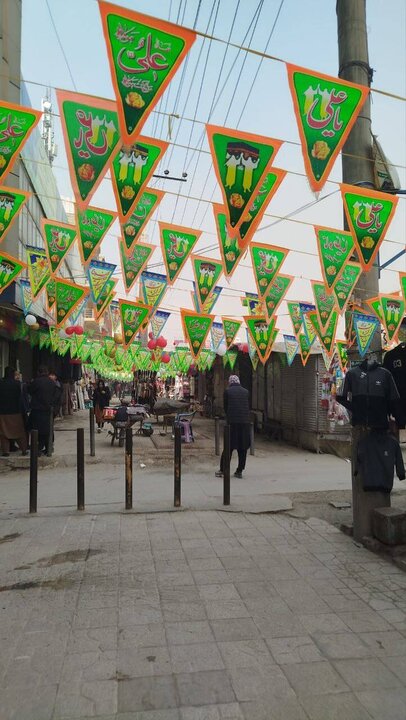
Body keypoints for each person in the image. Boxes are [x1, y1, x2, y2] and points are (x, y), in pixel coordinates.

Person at [215, 375, 251, 479]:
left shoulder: (227, 392)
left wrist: (229, 417)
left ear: (230, 382)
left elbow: (226, 407)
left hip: (232, 424)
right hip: (245, 424)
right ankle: (239, 471)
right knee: (242, 448)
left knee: (228, 448)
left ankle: (223, 469)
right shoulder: (246, 392)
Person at [28, 366, 60, 455]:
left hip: (37, 409)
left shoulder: (36, 381)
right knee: (48, 429)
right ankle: (48, 447)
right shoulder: (52, 383)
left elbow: (29, 390)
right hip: (48, 410)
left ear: (38, 372)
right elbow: (56, 396)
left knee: (36, 429)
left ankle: (39, 447)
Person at [0, 366, 28, 456]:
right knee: (19, 432)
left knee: (4, 433)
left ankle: (5, 451)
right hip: (16, 411)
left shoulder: (1, 383)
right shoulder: (18, 384)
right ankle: (23, 450)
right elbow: (21, 397)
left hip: (3, 412)